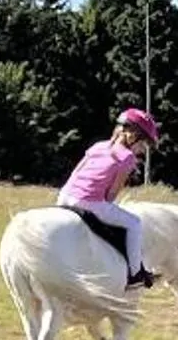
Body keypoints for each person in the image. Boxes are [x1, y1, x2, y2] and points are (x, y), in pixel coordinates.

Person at [56, 108, 162, 286]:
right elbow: (112, 194)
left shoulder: (98, 146)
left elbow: (77, 172)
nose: (142, 150)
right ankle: (135, 273)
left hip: (65, 195)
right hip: (88, 202)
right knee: (134, 223)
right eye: (143, 143)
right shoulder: (127, 158)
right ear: (132, 135)